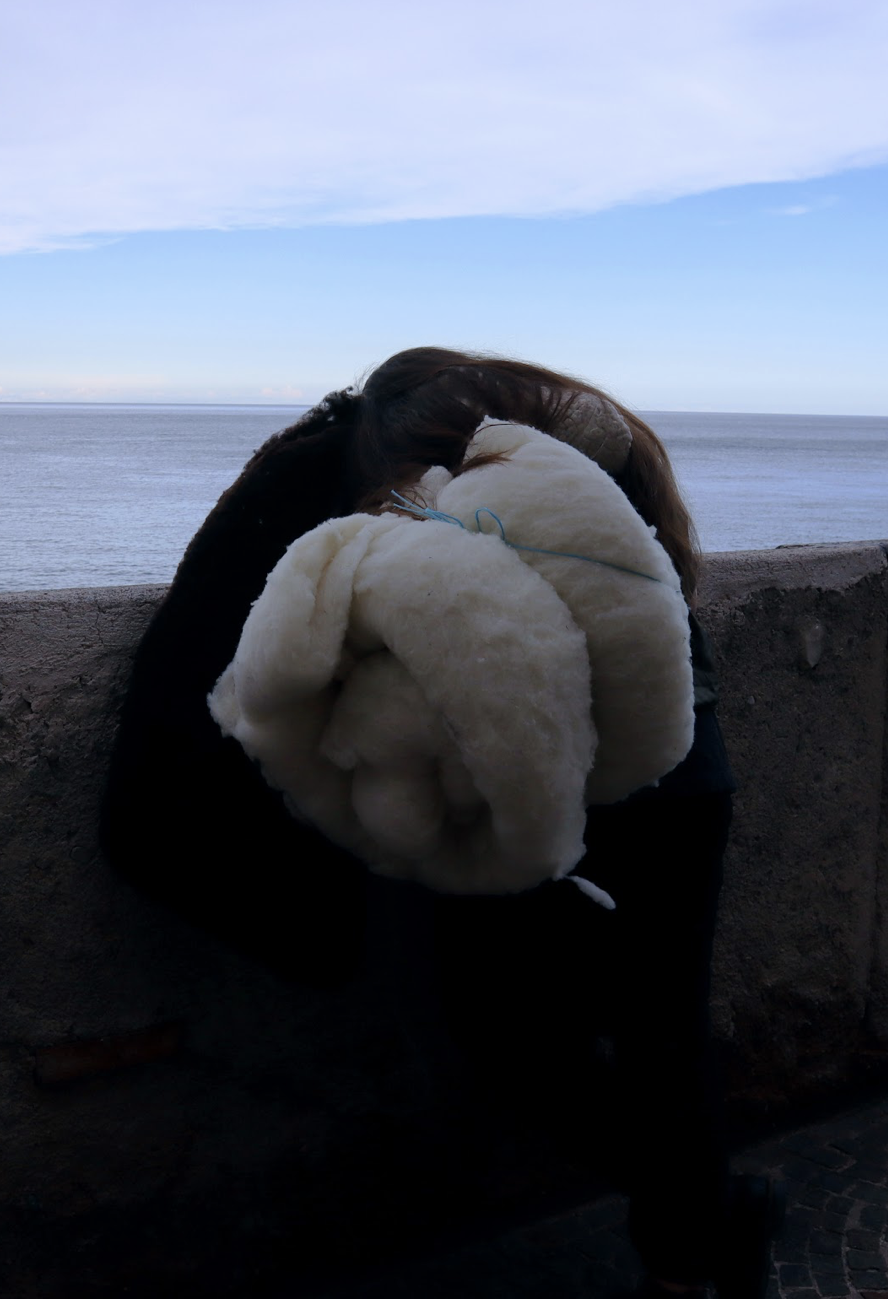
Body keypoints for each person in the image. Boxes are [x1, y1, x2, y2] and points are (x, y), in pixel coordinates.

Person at [100, 348, 780, 1297]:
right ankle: (699, 1241)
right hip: (676, 759)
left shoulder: (377, 472)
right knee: (654, 1029)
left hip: (563, 770)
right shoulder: (565, 457)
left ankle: (700, 1230)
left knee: (514, 1034)